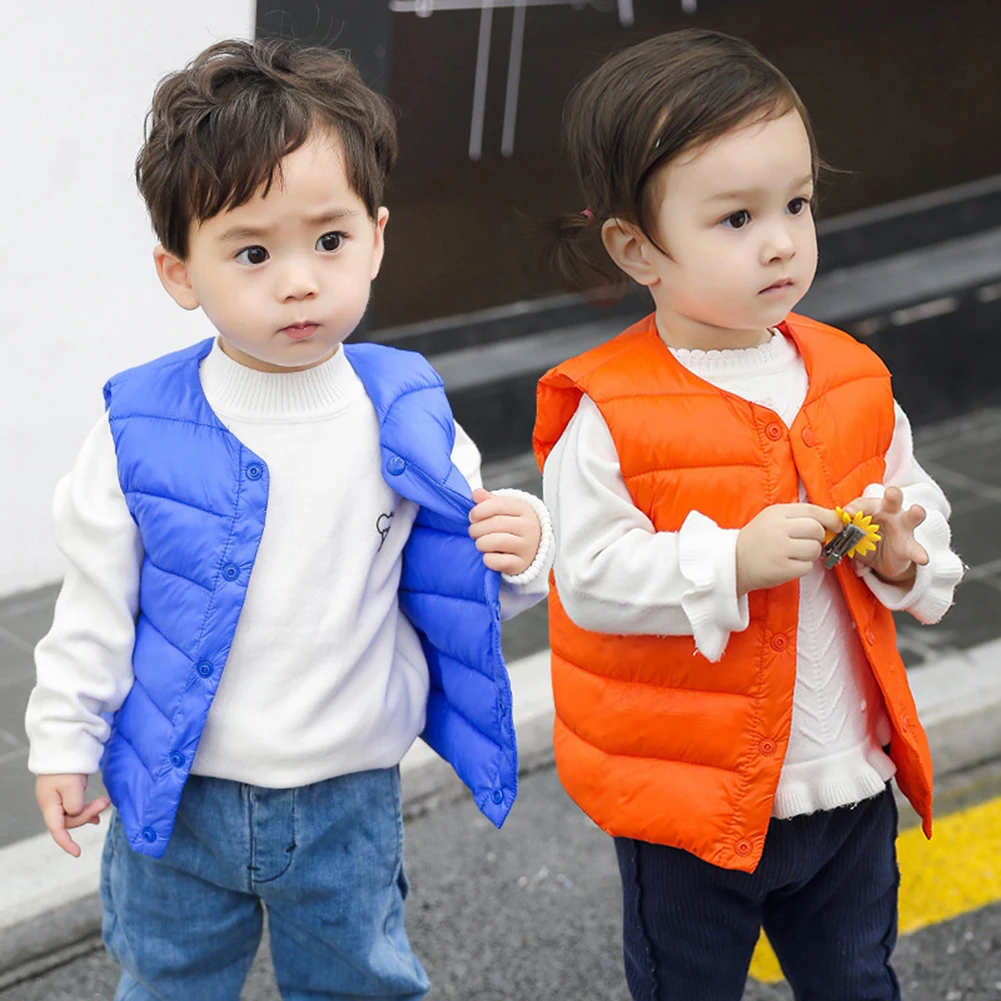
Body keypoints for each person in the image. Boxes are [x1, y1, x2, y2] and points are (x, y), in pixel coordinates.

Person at [25, 38, 553, 1001]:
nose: (299, 280)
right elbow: (94, 602)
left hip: (347, 794)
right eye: (253, 252)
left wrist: (522, 551)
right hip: (181, 793)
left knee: (357, 982)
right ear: (179, 271)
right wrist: (64, 738)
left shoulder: (406, 409)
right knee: (168, 980)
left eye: (330, 240)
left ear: (377, 237)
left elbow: (465, 584)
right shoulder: (138, 427)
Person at [534, 29, 963, 1000]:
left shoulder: (850, 375)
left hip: (844, 777)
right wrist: (726, 558)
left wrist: (902, 552)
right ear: (635, 247)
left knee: (856, 976)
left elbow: (916, 498)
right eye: (735, 217)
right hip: (687, 800)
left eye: (796, 204)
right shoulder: (611, 409)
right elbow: (588, 577)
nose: (779, 240)